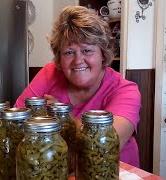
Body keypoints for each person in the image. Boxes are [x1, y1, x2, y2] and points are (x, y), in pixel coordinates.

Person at [14, 6, 141, 167]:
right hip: (55, 168)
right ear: (59, 56)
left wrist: (60, 118)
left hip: (110, 172)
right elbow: (17, 122)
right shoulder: (49, 73)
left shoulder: (126, 91)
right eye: (69, 52)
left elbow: (104, 146)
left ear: (103, 54)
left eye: (87, 50)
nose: (78, 60)